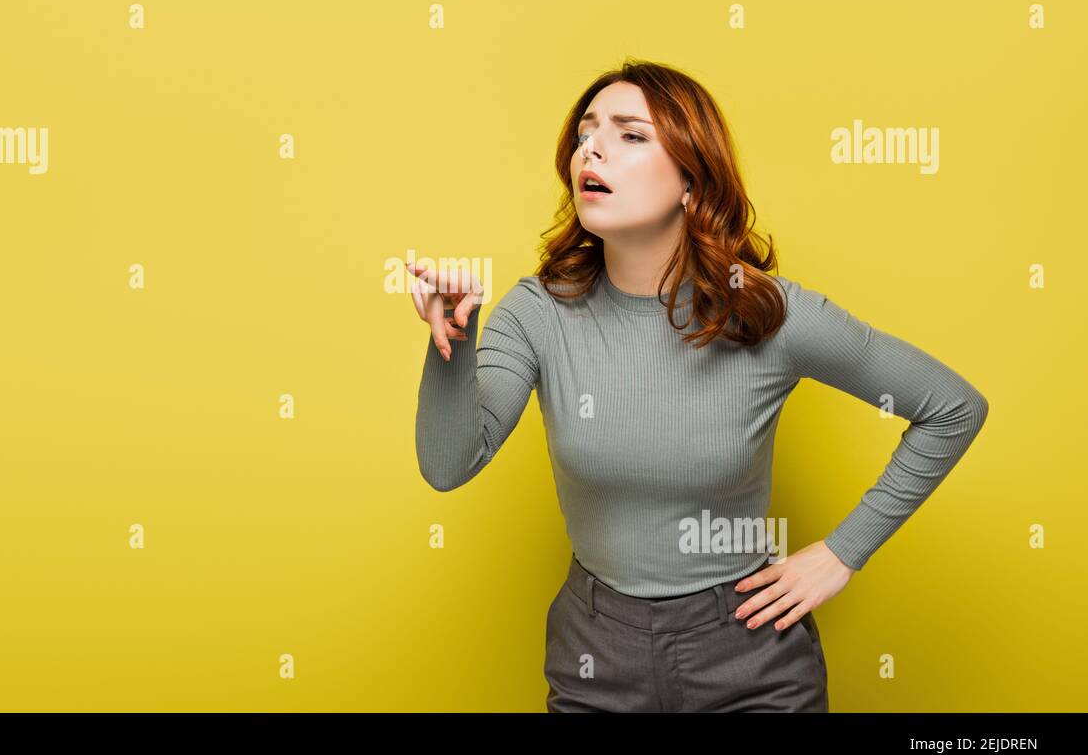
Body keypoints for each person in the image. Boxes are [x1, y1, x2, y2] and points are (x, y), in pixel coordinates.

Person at [407, 59, 989, 712]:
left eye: (630, 135)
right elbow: (449, 464)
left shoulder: (769, 314)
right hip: (597, 651)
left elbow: (952, 407)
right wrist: (451, 342)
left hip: (749, 650)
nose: (592, 148)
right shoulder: (536, 312)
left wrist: (841, 553)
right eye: (586, 133)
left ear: (691, 178)